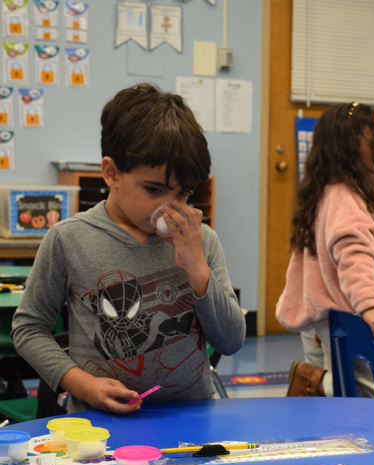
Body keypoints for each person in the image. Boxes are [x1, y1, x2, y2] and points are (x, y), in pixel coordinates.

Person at [11, 83, 246, 415]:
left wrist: (197, 270)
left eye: (184, 194)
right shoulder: (69, 239)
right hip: (99, 421)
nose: (171, 208)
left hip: (192, 416)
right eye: (154, 189)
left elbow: (231, 342)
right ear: (111, 173)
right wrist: (81, 384)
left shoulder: (201, 240)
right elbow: (29, 328)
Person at [277, 102, 374, 398]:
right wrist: (371, 305)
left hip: (341, 314)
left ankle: (315, 383)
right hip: (355, 316)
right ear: (354, 147)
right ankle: (312, 382)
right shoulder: (346, 197)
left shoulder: (331, 191)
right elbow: (354, 256)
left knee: (355, 391)